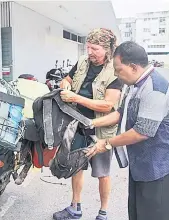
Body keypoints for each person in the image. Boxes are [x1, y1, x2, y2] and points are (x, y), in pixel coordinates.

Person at [85, 41, 169, 220]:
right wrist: (91, 123)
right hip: (139, 165)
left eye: (118, 69)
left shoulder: (155, 89)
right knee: (136, 213)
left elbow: (142, 132)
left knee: (152, 215)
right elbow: (120, 114)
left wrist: (106, 143)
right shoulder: (134, 84)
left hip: (156, 169)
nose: (116, 74)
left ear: (133, 67)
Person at [53, 28, 123, 220]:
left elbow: (108, 104)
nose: (90, 52)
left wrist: (76, 97)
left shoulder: (115, 71)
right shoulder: (83, 61)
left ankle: (103, 213)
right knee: (75, 167)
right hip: (76, 126)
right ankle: (75, 207)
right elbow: (67, 79)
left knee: (102, 173)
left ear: (108, 49)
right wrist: (65, 85)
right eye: (88, 47)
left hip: (100, 130)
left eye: (95, 49)